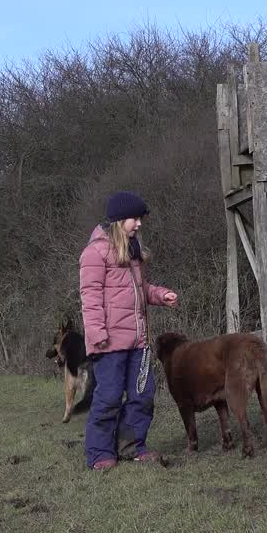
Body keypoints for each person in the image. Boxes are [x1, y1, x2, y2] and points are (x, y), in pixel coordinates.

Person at [78, 190, 179, 470]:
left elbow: (139, 291)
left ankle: (132, 447)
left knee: (142, 396)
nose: (139, 224)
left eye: (140, 218)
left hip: (138, 343)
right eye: (135, 218)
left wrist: (160, 295)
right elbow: (90, 296)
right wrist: (97, 334)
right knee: (108, 398)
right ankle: (100, 454)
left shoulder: (133, 254)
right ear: (119, 220)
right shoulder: (94, 253)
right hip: (108, 344)